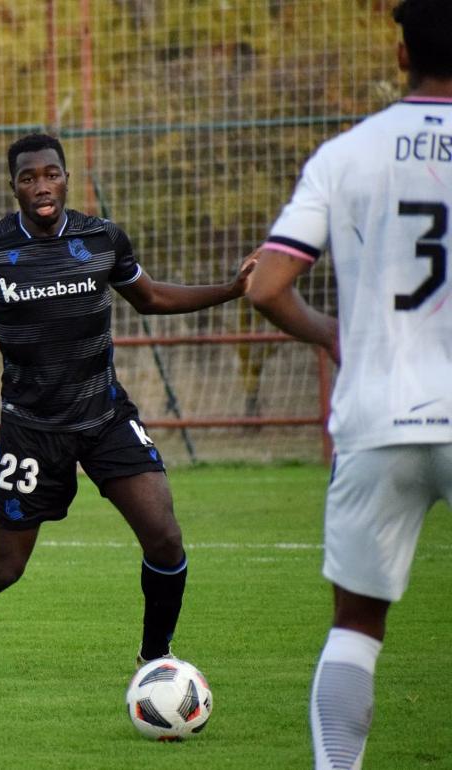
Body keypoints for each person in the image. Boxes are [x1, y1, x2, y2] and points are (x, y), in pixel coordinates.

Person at [0, 132, 253, 670]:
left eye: (51, 174)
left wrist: (229, 291)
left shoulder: (102, 238)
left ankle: (155, 659)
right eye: (28, 178)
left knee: (165, 538)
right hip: (31, 429)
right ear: (14, 187)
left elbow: (153, 297)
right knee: (3, 569)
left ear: (67, 177)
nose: (42, 185)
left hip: (105, 415)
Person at [246, 2, 452, 766]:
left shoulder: (347, 154)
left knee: (356, 627)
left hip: (376, 417)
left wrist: (337, 333)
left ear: (401, 53)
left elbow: (267, 285)